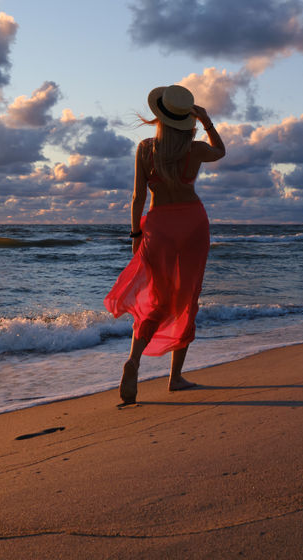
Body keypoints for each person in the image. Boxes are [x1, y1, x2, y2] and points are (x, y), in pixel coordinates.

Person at [104, 84, 225, 405]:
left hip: (158, 226)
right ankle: (175, 378)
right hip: (192, 224)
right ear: (187, 118)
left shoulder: (145, 149)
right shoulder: (195, 149)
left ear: (159, 116)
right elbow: (221, 151)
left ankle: (134, 360)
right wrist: (208, 121)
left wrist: (135, 236)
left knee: (156, 298)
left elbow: (137, 198)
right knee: (187, 299)